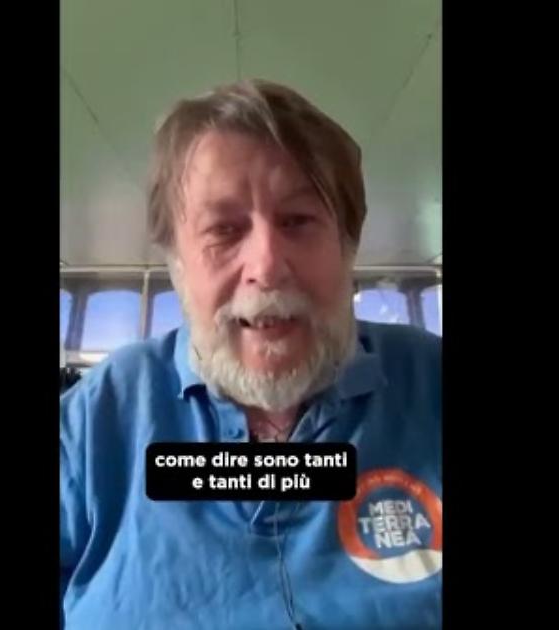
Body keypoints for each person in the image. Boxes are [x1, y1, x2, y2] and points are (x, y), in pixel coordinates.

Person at [60, 79, 442, 629]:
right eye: (224, 229)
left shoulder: (431, 385)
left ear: (347, 246)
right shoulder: (100, 417)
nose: (267, 265)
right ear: (176, 263)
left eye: (298, 221)